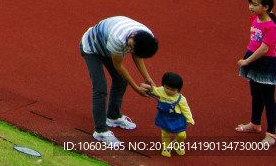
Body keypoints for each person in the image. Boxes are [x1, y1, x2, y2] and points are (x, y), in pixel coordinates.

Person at [80, 16, 159, 148]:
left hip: (108, 47)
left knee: (121, 82)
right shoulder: (118, 38)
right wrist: (136, 89)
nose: (130, 50)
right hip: (92, 49)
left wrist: (147, 78)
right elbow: (119, 66)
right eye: (130, 47)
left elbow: (137, 54)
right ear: (133, 35)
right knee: (100, 89)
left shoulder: (146, 37)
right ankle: (101, 131)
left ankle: (113, 116)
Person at [235, 0, 276, 148]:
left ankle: (271, 134)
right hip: (254, 61)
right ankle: (255, 124)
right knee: (255, 94)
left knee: (268, 99)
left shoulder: (271, 28)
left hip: (265, 64)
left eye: (255, 5)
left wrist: (246, 61)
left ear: (266, 7)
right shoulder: (256, 19)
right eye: (250, 4)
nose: (251, 7)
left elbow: (264, 49)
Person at [150, 72, 194, 158]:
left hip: (177, 119)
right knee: (166, 134)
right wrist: (147, 88)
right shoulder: (160, 91)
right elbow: (152, 90)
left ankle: (177, 144)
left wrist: (189, 119)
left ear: (178, 90)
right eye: (167, 88)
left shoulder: (181, 99)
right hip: (165, 118)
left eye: (173, 90)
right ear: (163, 86)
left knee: (181, 135)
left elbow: (186, 109)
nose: (169, 91)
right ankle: (166, 147)